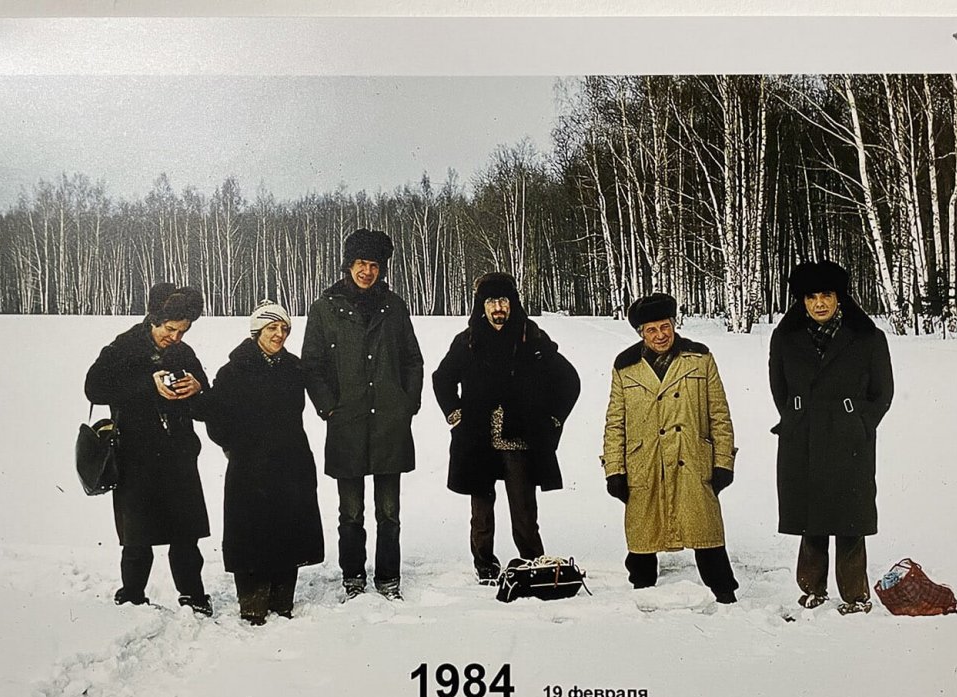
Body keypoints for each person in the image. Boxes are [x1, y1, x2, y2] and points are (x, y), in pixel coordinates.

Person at [432, 272, 581, 584]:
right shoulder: (467, 340)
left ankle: (532, 562)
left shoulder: (532, 337)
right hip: (478, 440)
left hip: (519, 439)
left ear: (513, 303)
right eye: (491, 301)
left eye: (503, 300)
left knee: (524, 510)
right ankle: (484, 566)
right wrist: (456, 415)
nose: (498, 308)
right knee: (481, 512)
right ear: (482, 306)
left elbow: (568, 380)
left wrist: (554, 420)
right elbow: (442, 378)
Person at [301, 228, 424, 601]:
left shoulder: (394, 307)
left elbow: (413, 360)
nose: (367, 272)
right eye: (360, 263)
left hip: (389, 423)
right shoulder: (325, 309)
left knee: (389, 512)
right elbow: (312, 365)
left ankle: (388, 578)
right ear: (347, 265)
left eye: (374, 265)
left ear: (381, 269)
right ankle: (353, 577)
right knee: (350, 513)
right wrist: (329, 406)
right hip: (347, 423)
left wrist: (407, 403)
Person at [769, 260, 894, 615]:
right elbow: (778, 385)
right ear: (802, 300)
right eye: (811, 297)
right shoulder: (786, 336)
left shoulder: (867, 337)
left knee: (850, 519)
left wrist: (860, 422)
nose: (819, 303)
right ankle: (812, 590)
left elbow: (883, 391)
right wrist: (793, 416)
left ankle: (856, 595)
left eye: (826, 294)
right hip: (803, 436)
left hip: (848, 439)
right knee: (810, 518)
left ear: (839, 297)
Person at [84, 282, 213, 616]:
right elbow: (94, 388)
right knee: (136, 539)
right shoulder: (124, 346)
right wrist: (147, 383)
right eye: (170, 329)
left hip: (179, 455)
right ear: (154, 319)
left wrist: (198, 389)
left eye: (183, 331)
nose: (176, 337)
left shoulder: (183, 353)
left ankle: (193, 596)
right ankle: (132, 597)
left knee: (186, 536)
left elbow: (206, 408)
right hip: (135, 458)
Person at [601, 293, 739, 602]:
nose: (660, 335)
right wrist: (614, 470)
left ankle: (725, 594)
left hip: (691, 458)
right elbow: (615, 422)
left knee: (705, 531)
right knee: (643, 533)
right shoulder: (625, 366)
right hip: (645, 462)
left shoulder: (700, 358)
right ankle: (642, 592)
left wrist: (723, 462)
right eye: (651, 330)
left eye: (665, 327)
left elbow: (719, 415)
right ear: (641, 333)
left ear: (674, 324)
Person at [204, 301, 326, 625]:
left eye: (284, 328)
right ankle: (253, 601)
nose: (279, 334)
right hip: (250, 464)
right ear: (257, 331)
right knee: (251, 532)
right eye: (272, 328)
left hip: (291, 461)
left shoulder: (295, 368)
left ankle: (282, 598)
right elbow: (215, 417)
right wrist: (232, 445)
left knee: (289, 527)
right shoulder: (233, 370)